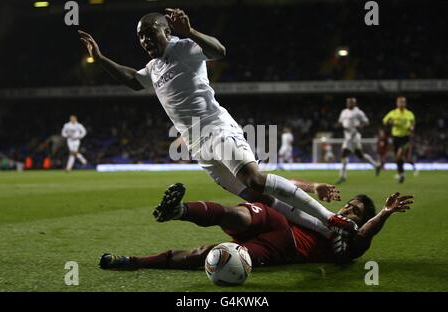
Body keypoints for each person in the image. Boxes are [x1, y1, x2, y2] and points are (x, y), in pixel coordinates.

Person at [78, 8, 356, 234]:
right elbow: (133, 81)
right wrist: (101, 59)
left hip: (216, 127)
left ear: (166, 30)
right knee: (255, 197)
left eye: (149, 34)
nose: (145, 41)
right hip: (197, 144)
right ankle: (327, 232)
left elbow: (219, 51)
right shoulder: (153, 67)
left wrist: (191, 32)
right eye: (140, 37)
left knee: (255, 179)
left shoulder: (185, 47)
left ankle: (331, 218)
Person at [99, 183, 413, 269]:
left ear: (361, 219)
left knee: (209, 255)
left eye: (356, 211)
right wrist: (313, 186)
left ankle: (135, 261)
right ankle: (178, 210)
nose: (348, 209)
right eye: (349, 205)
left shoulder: (351, 241)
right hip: (277, 223)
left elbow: (365, 234)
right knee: (240, 214)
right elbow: (283, 192)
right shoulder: (321, 216)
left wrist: (383, 213)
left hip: (283, 248)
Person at [335, 98, 381, 185]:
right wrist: (338, 125)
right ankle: (376, 165)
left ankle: (342, 177)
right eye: (348, 102)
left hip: (354, 136)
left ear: (354, 103)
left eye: (351, 102)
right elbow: (341, 122)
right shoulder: (344, 111)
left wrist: (360, 126)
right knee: (360, 155)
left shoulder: (358, 112)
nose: (349, 104)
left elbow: (366, 122)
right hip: (347, 136)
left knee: (344, 155)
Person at [383, 96, 415, 183]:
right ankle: (401, 174)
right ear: (397, 103)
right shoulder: (393, 113)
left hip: (405, 138)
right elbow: (385, 121)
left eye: (403, 102)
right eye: (400, 102)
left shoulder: (409, 114)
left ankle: (401, 173)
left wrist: (411, 128)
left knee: (398, 155)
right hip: (395, 138)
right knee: (398, 158)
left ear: (405, 103)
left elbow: (412, 125)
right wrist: (390, 122)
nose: (401, 104)